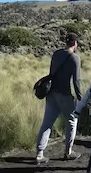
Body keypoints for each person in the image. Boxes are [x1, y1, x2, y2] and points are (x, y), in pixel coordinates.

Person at [35, 32, 82, 164]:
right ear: (75, 43)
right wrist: (80, 97)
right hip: (64, 94)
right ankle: (68, 152)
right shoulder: (74, 58)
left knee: (47, 124)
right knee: (72, 121)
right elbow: (76, 80)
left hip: (51, 93)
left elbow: (51, 73)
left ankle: (39, 154)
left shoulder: (56, 54)